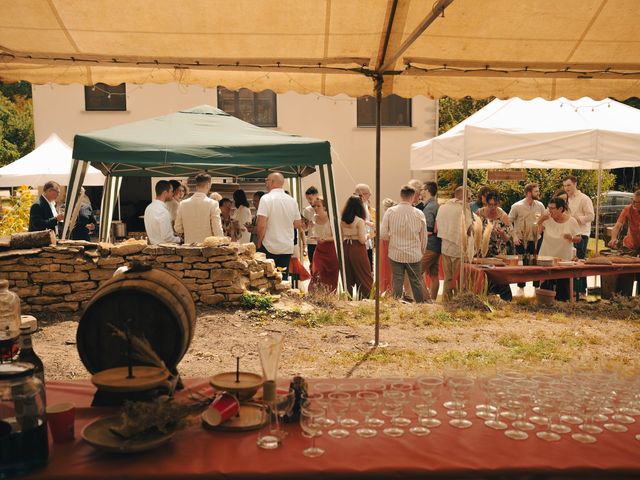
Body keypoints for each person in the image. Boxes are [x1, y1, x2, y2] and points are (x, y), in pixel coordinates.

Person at [381, 185, 427, 303]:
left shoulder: (390, 212)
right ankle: (420, 306)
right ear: (412, 197)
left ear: (401, 196)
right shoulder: (419, 213)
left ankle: (396, 305)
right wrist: (421, 251)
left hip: (395, 252)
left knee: (397, 280)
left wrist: (393, 238)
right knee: (416, 281)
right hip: (414, 254)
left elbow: (383, 234)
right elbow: (424, 236)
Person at [256, 173, 304, 280]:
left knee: (267, 280)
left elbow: (261, 224)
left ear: (272, 182)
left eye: (267, 180)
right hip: (286, 246)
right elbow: (297, 224)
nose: (265, 183)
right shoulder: (292, 200)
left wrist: (259, 241)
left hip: (269, 245)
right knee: (282, 280)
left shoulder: (266, 198)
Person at [537, 197, 581, 301]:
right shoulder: (546, 220)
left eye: (552, 208)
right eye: (548, 208)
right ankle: (545, 303)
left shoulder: (571, 221)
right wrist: (540, 220)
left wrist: (571, 238)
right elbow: (536, 234)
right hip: (546, 258)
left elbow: (579, 238)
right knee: (546, 285)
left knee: (563, 286)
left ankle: (563, 304)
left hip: (564, 259)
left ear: (561, 209)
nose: (549, 211)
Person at [436, 186, 472, 301]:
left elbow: (437, 228)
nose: (470, 199)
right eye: (469, 196)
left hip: (445, 247)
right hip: (458, 249)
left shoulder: (443, 207)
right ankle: (457, 302)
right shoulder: (464, 209)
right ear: (463, 195)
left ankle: (446, 301)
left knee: (448, 278)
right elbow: (469, 230)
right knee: (458, 278)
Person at [476, 190, 513, 301]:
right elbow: (474, 231)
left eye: (494, 205)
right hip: (483, 251)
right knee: (486, 276)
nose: (492, 207)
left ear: (498, 203)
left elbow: (508, 238)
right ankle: (486, 298)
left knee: (500, 277)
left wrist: (502, 234)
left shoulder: (503, 216)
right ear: (486, 203)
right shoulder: (480, 213)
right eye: (490, 204)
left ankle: (506, 299)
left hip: (498, 252)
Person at [509, 183, 546, 290]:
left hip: (536, 240)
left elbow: (544, 221)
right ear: (529, 193)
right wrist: (514, 237)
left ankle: (536, 289)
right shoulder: (517, 206)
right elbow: (509, 222)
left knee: (536, 264)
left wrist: (540, 231)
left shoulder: (540, 205)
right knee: (522, 266)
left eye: (538, 191)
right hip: (520, 240)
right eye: (536, 191)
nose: (538, 193)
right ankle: (521, 290)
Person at [563, 175, 595, 300]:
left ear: (575, 184)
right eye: (565, 186)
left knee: (579, 262)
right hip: (569, 235)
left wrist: (576, 219)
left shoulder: (584, 199)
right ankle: (574, 290)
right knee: (571, 262)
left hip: (581, 234)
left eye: (569, 185)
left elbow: (591, 216)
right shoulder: (566, 199)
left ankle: (580, 291)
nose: (566, 188)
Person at [174, 173, 223, 244]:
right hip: (207, 248)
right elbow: (217, 229)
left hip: (189, 247)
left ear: (196, 186)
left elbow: (177, 228)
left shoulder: (183, 204)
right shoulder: (213, 203)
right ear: (208, 184)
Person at [340, 195, 373, 298]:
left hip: (345, 247)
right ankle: (366, 298)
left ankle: (348, 298)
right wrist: (370, 235)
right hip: (357, 248)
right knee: (363, 274)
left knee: (348, 276)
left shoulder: (342, 220)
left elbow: (341, 237)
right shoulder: (359, 221)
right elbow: (362, 240)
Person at [308, 197, 339, 293]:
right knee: (317, 272)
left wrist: (326, 239)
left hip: (331, 249)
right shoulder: (314, 218)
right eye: (314, 206)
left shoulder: (332, 219)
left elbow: (338, 237)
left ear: (325, 207)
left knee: (331, 274)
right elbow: (311, 232)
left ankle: (329, 296)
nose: (316, 208)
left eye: (318, 206)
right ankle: (314, 295)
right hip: (319, 249)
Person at [144, 180, 181, 245]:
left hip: (153, 247)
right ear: (165, 193)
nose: (172, 194)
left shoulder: (148, 208)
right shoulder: (163, 211)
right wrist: (179, 239)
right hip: (164, 249)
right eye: (171, 191)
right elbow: (167, 237)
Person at [422, 181, 441, 301]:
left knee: (416, 273)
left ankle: (425, 299)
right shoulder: (436, 205)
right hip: (437, 245)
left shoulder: (430, 207)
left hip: (430, 245)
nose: (421, 191)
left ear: (427, 191)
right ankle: (433, 299)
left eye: (423, 189)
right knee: (434, 275)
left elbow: (428, 230)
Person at [354, 183, 375, 271]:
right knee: (363, 270)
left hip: (368, 241)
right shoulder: (355, 206)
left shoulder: (365, 205)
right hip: (360, 242)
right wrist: (367, 223)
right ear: (363, 194)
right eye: (368, 193)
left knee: (369, 269)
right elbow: (354, 220)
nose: (370, 195)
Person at [302, 186, 319, 265]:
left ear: (316, 195)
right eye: (307, 199)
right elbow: (304, 229)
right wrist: (308, 225)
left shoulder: (325, 208)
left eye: (310, 198)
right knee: (312, 264)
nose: (309, 201)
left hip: (323, 240)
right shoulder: (307, 210)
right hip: (311, 242)